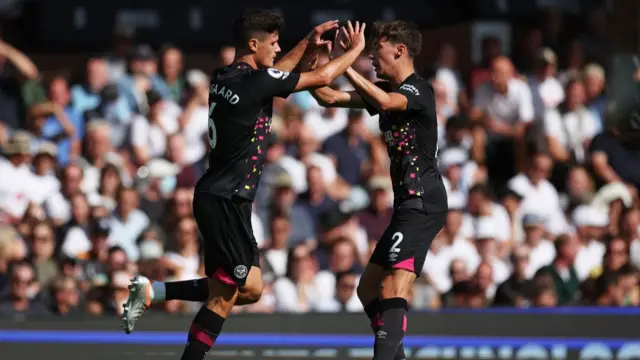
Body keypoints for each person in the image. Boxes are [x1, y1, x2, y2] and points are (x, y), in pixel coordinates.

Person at [120, 9, 367, 360]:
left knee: (250, 288)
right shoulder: (257, 82)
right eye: (273, 43)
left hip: (225, 197)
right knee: (226, 293)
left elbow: (274, 74)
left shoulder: (224, 76)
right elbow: (323, 75)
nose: (278, 49)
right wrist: (356, 49)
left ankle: (153, 292)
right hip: (225, 200)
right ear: (254, 44)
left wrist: (304, 43)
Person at [306, 20, 448, 360]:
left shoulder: (418, 90)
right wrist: (315, 60)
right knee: (367, 287)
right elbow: (325, 95)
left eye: (376, 49)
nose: (371, 55)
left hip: (423, 202)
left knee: (391, 287)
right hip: (406, 206)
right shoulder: (385, 91)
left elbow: (385, 101)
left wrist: (349, 61)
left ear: (399, 50)